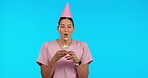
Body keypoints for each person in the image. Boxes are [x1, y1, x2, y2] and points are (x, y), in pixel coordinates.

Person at [36, 2, 93, 78]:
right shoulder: (46, 45)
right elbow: (45, 76)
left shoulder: (82, 45)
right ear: (58, 29)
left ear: (73, 29)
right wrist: (54, 59)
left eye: (69, 27)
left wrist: (77, 61)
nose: (66, 30)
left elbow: (84, 76)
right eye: (62, 26)